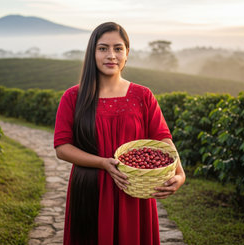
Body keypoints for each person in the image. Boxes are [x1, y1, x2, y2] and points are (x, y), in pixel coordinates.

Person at [54, 22, 186, 245]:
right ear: (92, 53)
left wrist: (180, 174)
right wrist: (103, 163)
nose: (111, 55)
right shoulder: (73, 97)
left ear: (127, 53)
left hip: (133, 190)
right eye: (103, 48)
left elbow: (163, 139)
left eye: (118, 48)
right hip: (89, 188)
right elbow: (62, 148)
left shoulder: (143, 95)